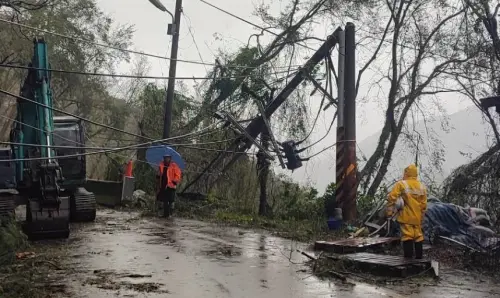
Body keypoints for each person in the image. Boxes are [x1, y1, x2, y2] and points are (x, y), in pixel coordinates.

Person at [386, 164, 428, 259]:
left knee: (407, 236)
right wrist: (421, 217)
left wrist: (389, 212)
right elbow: (424, 204)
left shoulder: (401, 184)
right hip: (417, 218)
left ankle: (408, 260)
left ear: (406, 173)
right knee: (418, 237)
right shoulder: (421, 186)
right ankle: (419, 259)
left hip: (406, 216)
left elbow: (392, 197)